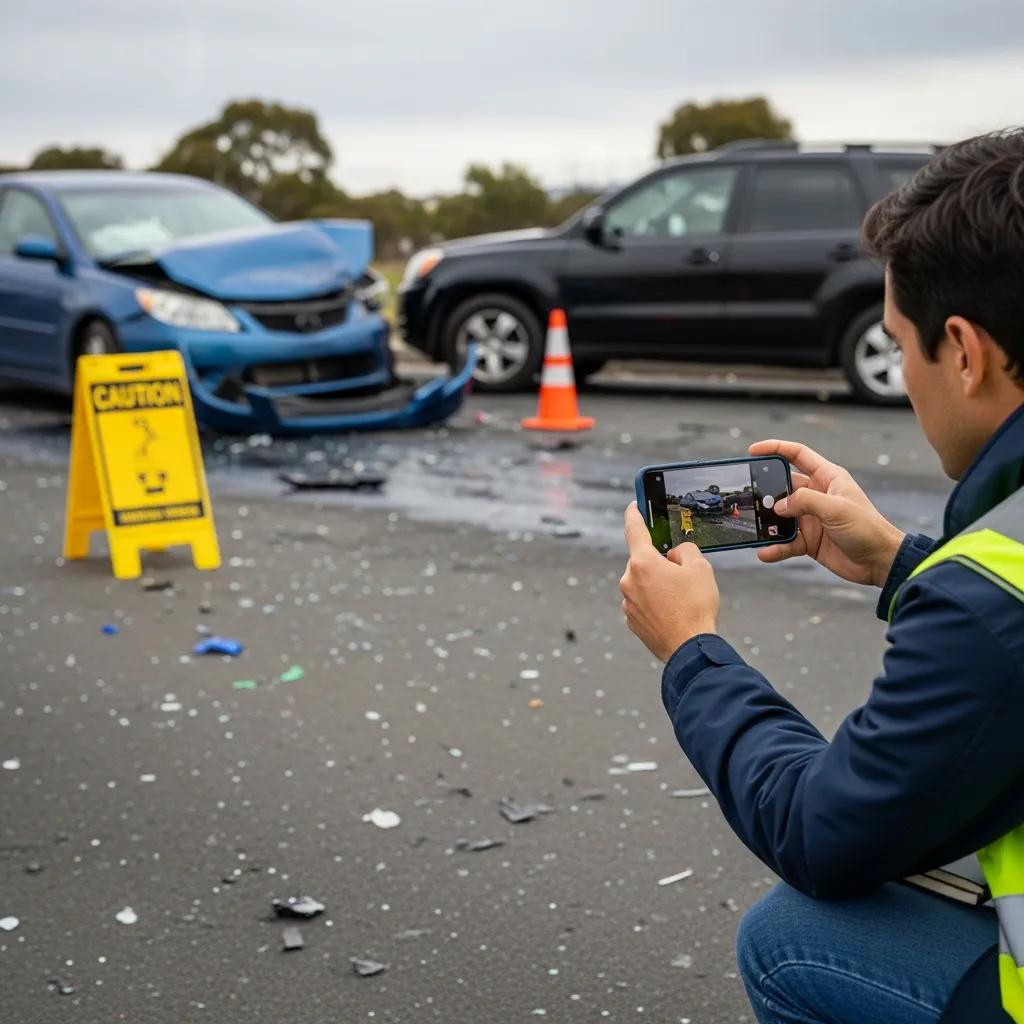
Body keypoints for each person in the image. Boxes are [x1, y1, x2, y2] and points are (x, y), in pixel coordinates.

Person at [620, 129, 1024, 1024]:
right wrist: (900, 562)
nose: (906, 377)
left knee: (790, 937)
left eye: (900, 344)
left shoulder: (991, 609)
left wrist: (691, 651)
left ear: (963, 350)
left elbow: (823, 831)